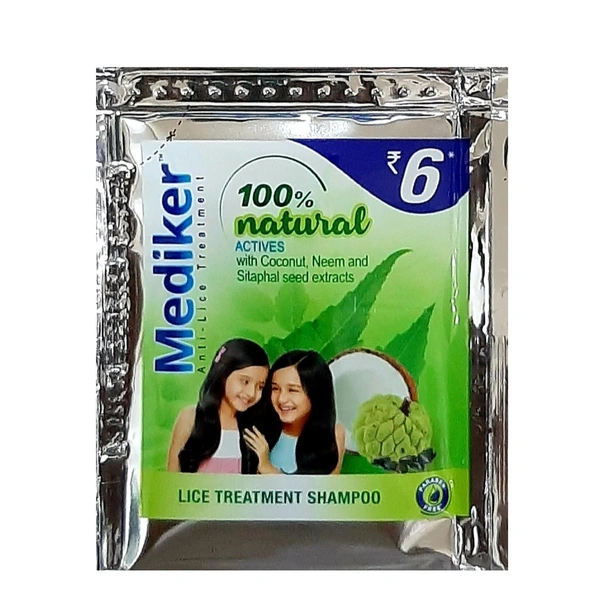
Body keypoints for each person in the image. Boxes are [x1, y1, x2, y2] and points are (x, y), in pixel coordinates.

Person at [167, 338, 269, 474]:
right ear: (223, 374)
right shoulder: (191, 417)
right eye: (245, 381)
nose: (251, 393)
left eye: (260, 386)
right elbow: (172, 473)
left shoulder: (252, 429)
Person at [243, 350, 345, 475]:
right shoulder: (258, 430)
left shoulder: (334, 434)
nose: (281, 399)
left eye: (292, 390)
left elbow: (325, 487)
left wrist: (267, 468)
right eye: (275, 389)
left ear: (316, 392)